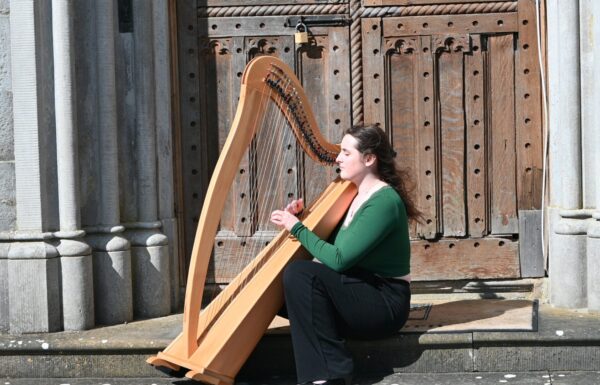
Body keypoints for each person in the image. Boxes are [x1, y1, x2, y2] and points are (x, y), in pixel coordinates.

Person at [270, 124, 421, 385]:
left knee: (301, 275)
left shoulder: (384, 201)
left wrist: (296, 227)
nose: (338, 158)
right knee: (277, 291)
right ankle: (324, 368)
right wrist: (303, 218)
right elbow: (337, 246)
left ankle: (330, 374)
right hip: (358, 288)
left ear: (369, 159)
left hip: (384, 301)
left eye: (346, 153)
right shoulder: (351, 194)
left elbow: (340, 259)